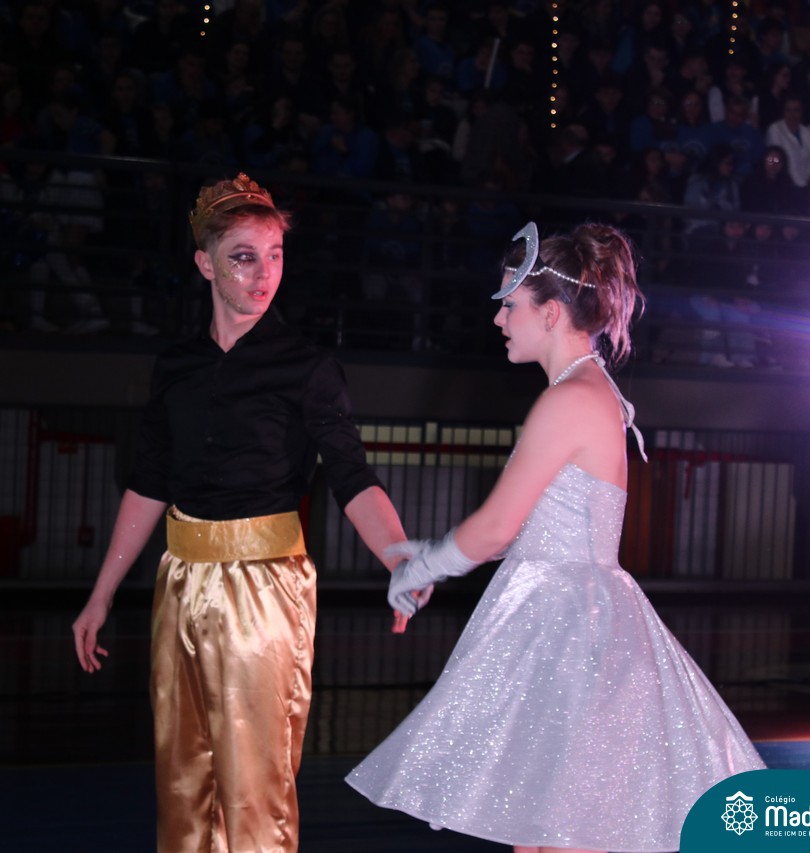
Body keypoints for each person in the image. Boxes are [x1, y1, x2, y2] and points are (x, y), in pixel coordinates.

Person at [347, 221, 766, 852]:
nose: (499, 319)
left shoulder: (569, 400)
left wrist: (422, 565)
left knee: (560, 834)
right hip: (569, 623)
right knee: (543, 832)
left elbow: (496, 526)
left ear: (548, 314)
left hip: (571, 630)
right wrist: (430, 562)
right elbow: (517, 531)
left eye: (509, 305)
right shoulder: (588, 391)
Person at [71, 173, 411, 852]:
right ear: (205, 264)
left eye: (275, 255)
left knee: (254, 793)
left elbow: (351, 475)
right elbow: (149, 482)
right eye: (244, 257)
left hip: (264, 587)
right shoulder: (177, 365)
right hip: (178, 583)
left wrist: (401, 558)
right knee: (182, 787)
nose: (264, 274)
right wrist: (101, 594)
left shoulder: (307, 367)